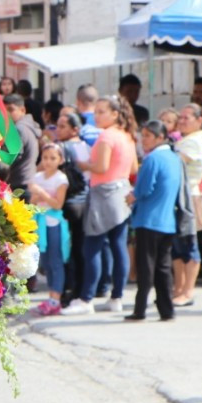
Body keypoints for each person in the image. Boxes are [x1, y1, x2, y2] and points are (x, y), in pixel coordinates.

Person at [61, 95, 137, 315]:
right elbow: (132, 168)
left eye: (102, 111)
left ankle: (86, 298)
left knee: (92, 246)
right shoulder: (127, 136)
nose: (97, 116)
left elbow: (101, 167)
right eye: (96, 112)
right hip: (121, 190)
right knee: (118, 245)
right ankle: (117, 296)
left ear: (115, 113)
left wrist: (81, 163)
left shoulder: (107, 136)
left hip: (103, 193)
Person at [125, 121, 181, 321]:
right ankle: (167, 310)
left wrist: (132, 196)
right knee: (163, 267)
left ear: (160, 138)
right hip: (167, 221)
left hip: (149, 219)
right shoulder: (174, 158)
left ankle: (140, 310)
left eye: (148, 136)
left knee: (146, 267)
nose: (143, 140)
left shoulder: (152, 159)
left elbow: (144, 189)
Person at [172, 103, 202, 307]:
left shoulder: (193, 142)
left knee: (188, 245)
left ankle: (187, 291)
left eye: (187, 118)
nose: (182, 121)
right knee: (178, 246)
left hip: (188, 197)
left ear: (199, 120)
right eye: (181, 117)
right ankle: (178, 288)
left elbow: (176, 163)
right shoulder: (186, 140)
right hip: (179, 197)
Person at [29, 144, 70, 316]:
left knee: (55, 261)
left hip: (54, 224)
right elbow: (32, 202)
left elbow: (57, 204)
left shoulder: (61, 179)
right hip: (41, 224)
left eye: (52, 158)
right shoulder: (38, 177)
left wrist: (42, 194)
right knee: (46, 262)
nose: (48, 161)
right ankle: (51, 296)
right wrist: (37, 196)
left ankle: (56, 298)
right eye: (45, 157)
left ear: (60, 160)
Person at [57, 112, 93, 303]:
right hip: (85, 200)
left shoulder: (63, 148)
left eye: (63, 126)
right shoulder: (87, 147)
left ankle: (68, 290)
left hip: (70, 201)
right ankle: (81, 288)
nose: (58, 130)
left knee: (68, 250)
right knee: (80, 249)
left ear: (75, 129)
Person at [3, 94, 42, 198]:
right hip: (28, 181)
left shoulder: (19, 129)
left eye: (11, 110)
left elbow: (12, 158)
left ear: (23, 110)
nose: (7, 114)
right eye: (4, 110)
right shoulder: (28, 126)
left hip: (19, 185)